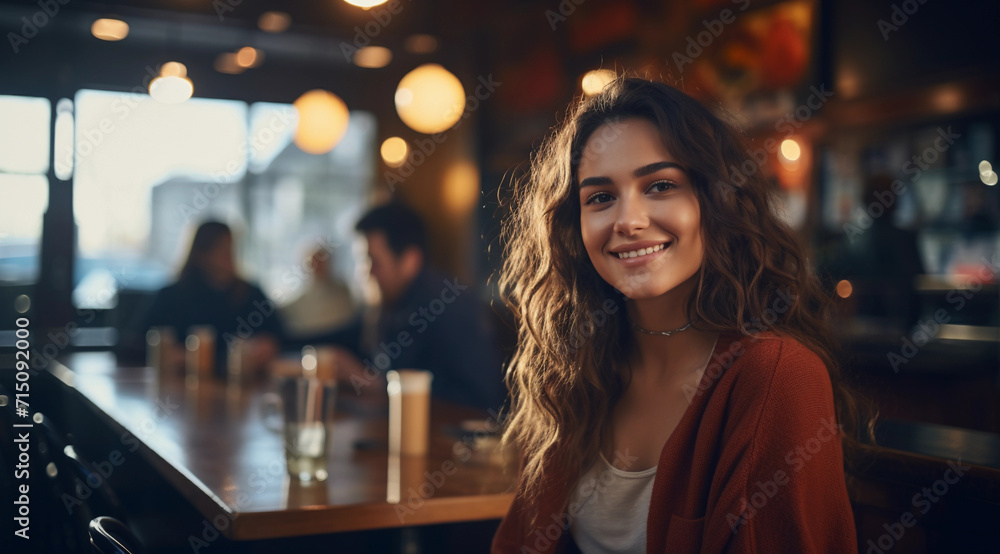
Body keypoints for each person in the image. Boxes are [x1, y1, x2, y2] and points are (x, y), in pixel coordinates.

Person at [492, 78, 876, 553]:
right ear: (575, 226)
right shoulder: (574, 371)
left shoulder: (777, 376)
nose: (628, 220)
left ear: (715, 200)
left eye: (660, 185)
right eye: (600, 197)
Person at [328, 202, 506, 412]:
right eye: (362, 262)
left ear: (409, 261)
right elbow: (345, 336)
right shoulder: (389, 301)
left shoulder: (449, 308)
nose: (364, 273)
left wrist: (381, 385)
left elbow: (480, 398)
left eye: (373, 261)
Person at [142, 221, 284, 378]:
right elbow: (136, 343)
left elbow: (280, 338)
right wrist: (166, 353)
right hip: (178, 387)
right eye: (220, 248)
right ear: (202, 253)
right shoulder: (172, 295)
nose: (228, 254)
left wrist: (269, 345)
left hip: (244, 387)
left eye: (230, 248)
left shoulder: (251, 294)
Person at [280, 245, 359, 339]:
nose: (318, 266)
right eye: (313, 263)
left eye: (321, 261)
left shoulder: (342, 291)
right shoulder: (302, 299)